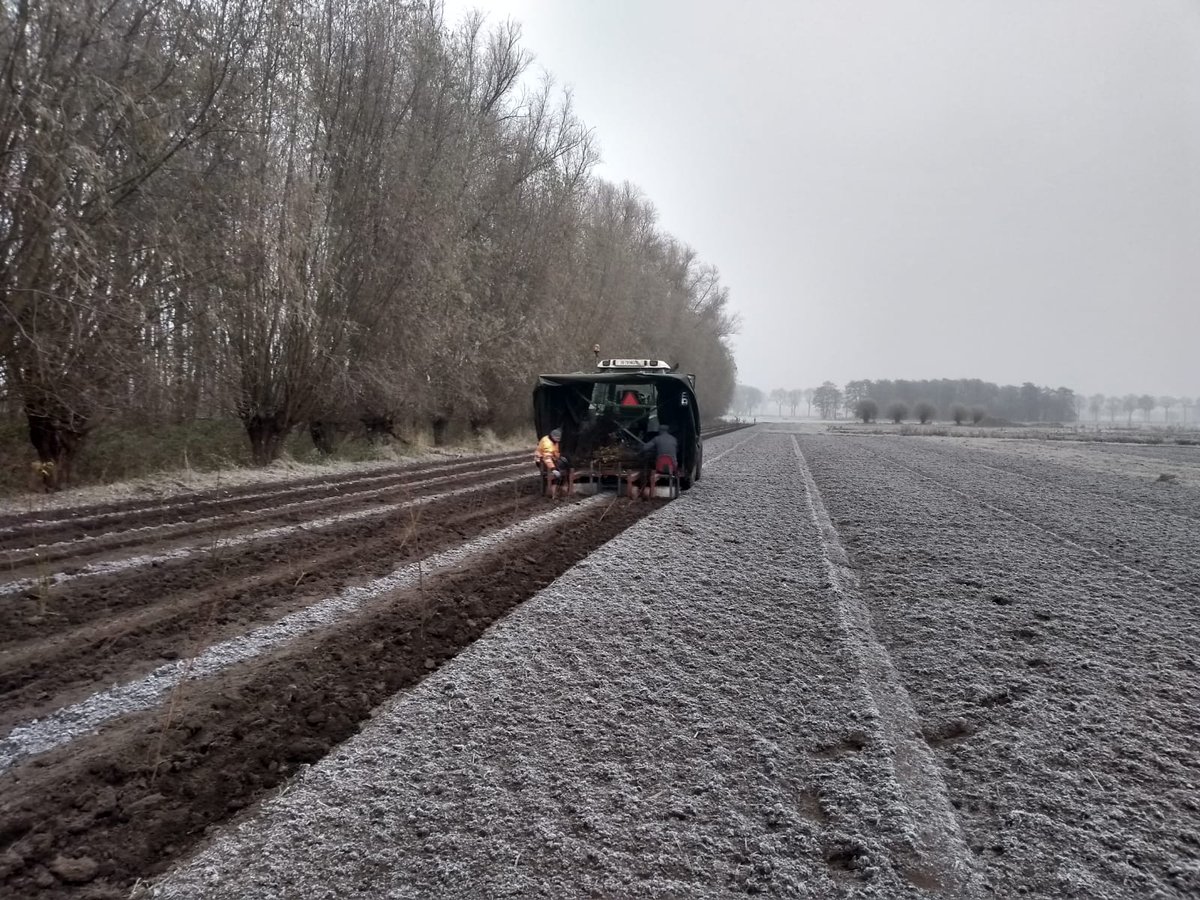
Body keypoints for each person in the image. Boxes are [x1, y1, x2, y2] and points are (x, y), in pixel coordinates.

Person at [632, 423, 678, 499]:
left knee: (651, 464)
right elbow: (677, 451)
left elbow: (645, 448)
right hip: (672, 466)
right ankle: (675, 484)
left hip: (659, 467)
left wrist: (637, 452)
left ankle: (649, 486)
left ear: (660, 431)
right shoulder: (674, 439)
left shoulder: (657, 439)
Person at [534, 427, 569, 498]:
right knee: (557, 473)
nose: (558, 441)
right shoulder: (547, 444)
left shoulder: (553, 441)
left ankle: (560, 488)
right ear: (553, 437)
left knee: (564, 465)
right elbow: (547, 458)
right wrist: (553, 469)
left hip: (550, 459)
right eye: (557, 439)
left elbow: (555, 453)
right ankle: (553, 492)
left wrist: (560, 458)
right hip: (542, 461)